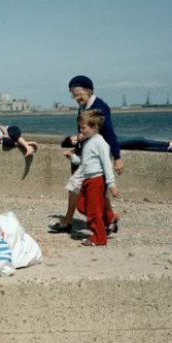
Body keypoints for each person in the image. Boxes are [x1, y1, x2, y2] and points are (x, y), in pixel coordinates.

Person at [49, 75, 120, 234]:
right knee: (94, 190)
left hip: (94, 157)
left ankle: (69, 222)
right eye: (73, 95)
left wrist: (117, 158)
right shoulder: (84, 107)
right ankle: (109, 218)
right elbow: (87, 131)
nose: (75, 98)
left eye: (78, 94)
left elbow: (109, 134)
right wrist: (79, 139)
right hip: (85, 154)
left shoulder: (99, 107)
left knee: (77, 187)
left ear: (88, 91)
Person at [63, 109, 119, 246]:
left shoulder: (100, 143)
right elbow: (84, 161)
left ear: (94, 128)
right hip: (87, 180)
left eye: (83, 127)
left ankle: (99, 238)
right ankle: (109, 218)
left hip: (96, 180)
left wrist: (111, 184)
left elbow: (107, 164)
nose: (80, 130)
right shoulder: (89, 142)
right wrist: (72, 157)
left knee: (93, 210)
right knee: (82, 206)